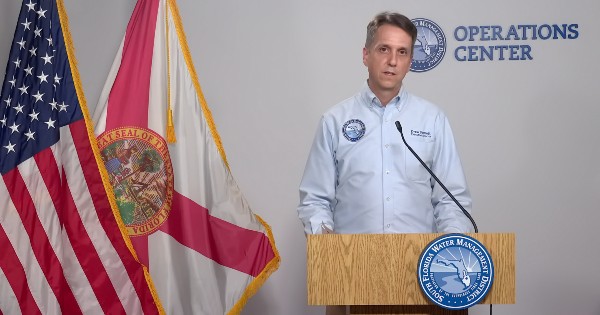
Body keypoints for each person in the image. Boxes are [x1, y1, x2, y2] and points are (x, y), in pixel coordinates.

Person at [297, 12, 474, 237]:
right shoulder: (334, 121)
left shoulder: (433, 119)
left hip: (418, 262)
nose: (392, 61)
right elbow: (315, 199)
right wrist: (327, 245)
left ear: (410, 62)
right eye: (384, 49)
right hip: (351, 263)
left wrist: (450, 245)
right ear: (366, 55)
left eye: (402, 52)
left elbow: (452, 200)